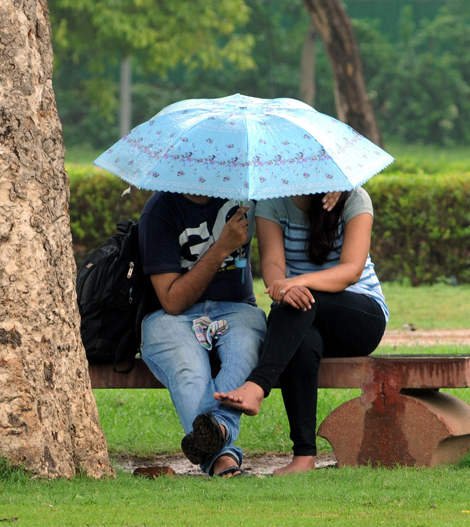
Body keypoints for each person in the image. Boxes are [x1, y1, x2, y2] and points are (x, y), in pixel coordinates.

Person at [214, 187, 389, 475]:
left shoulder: (354, 198)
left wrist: (296, 284)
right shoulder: (273, 202)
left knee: (301, 301)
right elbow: (272, 264)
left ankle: (257, 386)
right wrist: (282, 289)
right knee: (301, 336)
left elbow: (352, 271)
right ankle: (304, 456)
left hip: (359, 316)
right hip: (300, 316)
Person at [138, 191, 266, 477]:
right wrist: (221, 248)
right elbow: (171, 301)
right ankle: (221, 455)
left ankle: (217, 430)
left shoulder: (245, 197)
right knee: (190, 371)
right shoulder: (160, 210)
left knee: (242, 352)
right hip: (171, 317)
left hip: (238, 310)